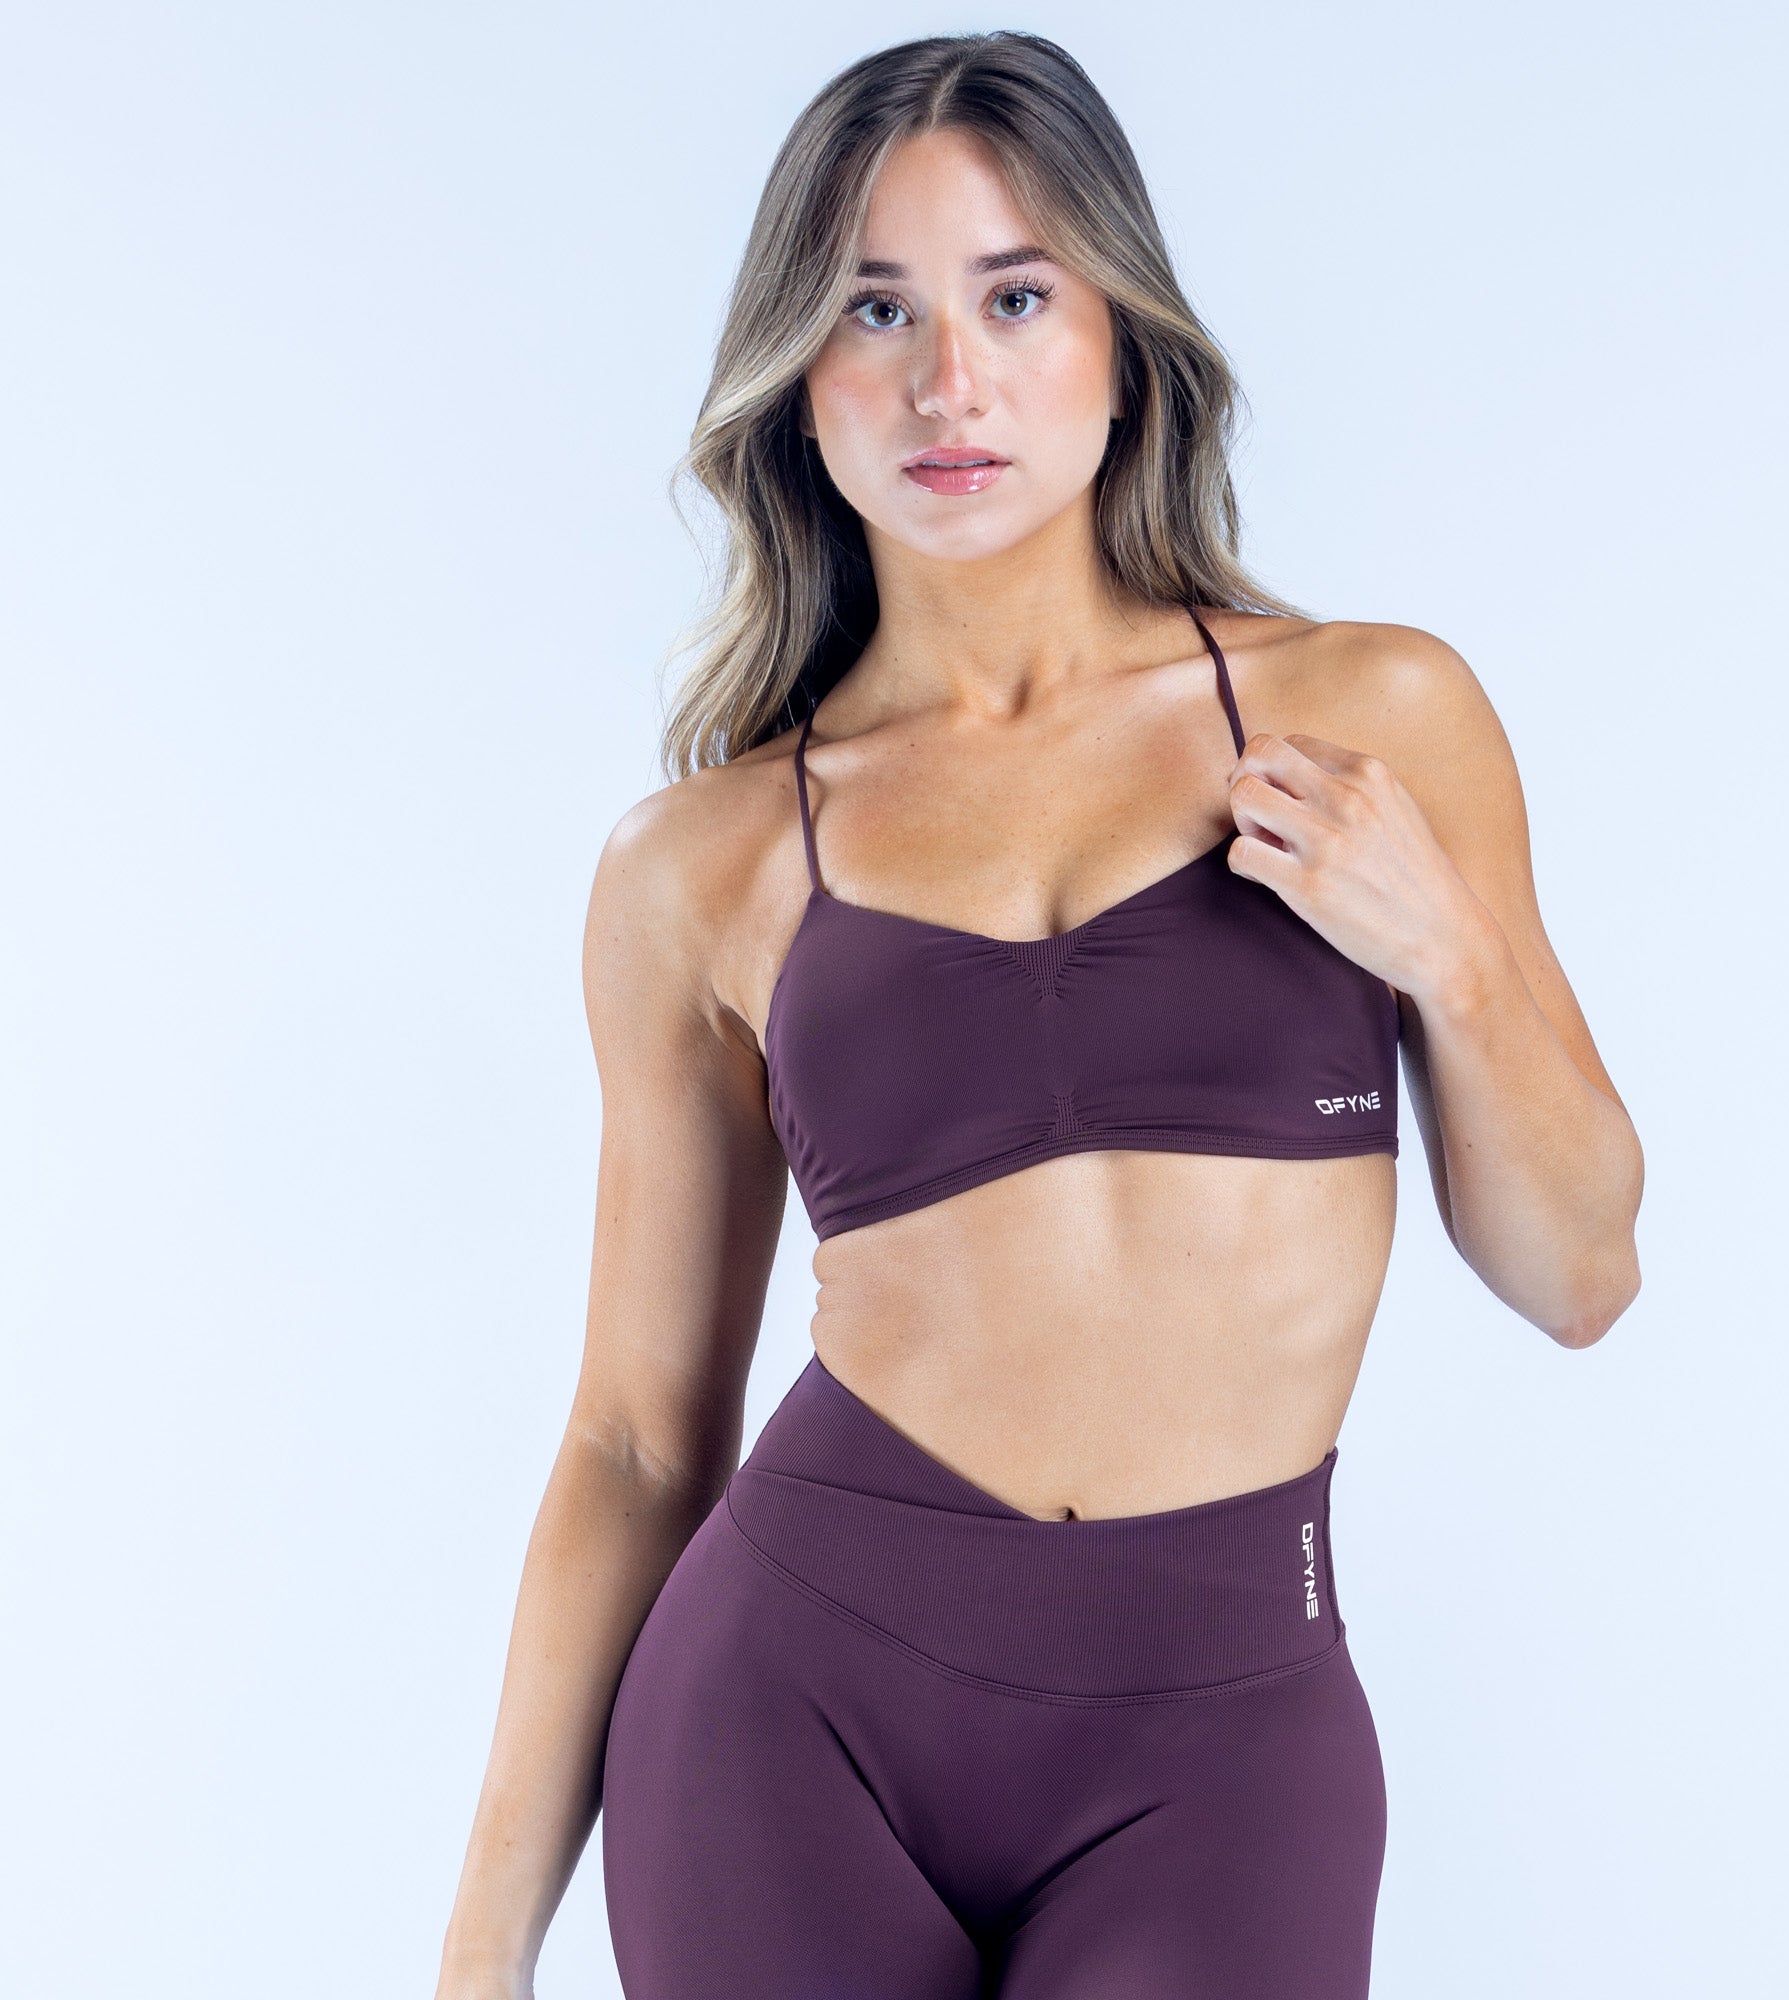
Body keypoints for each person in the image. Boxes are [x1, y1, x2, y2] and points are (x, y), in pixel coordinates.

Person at [434, 29, 1644, 2000]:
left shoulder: (1371, 716)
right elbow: (640, 1445)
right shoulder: (701, 867)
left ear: (1122, 337)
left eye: (1013, 296)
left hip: (1223, 1746)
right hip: (786, 1721)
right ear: (795, 376)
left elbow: (1581, 1274)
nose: (949, 381)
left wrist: (1450, 953)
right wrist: (479, 1952)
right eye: (874, 310)